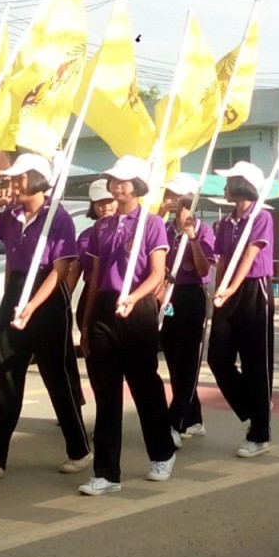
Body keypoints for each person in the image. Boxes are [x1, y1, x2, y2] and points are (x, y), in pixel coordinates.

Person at [0, 153, 90, 480]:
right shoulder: (10, 215)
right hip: (16, 291)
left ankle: (79, 448)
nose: (12, 184)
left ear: (35, 179)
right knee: (7, 376)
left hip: (47, 297)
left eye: (18, 178)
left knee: (56, 376)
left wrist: (32, 306)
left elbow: (60, 269)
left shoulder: (57, 217)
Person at [78, 156, 176, 493]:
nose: (116, 186)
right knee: (106, 393)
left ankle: (162, 452)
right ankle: (106, 473)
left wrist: (133, 298)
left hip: (137, 308)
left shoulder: (152, 223)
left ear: (136, 186)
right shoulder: (101, 227)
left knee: (144, 385)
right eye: (113, 180)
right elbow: (94, 279)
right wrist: (87, 323)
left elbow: (157, 273)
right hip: (105, 310)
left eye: (122, 181)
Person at [208, 162, 277, 459]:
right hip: (228, 290)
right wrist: (219, 290)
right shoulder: (226, 222)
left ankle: (259, 434)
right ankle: (254, 407)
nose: (224, 187)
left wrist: (231, 287)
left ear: (242, 185)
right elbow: (223, 259)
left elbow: (250, 256)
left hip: (253, 290)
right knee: (217, 358)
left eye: (229, 182)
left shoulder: (261, 217)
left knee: (255, 363)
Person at [160, 175, 215, 437]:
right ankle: (194, 418)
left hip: (193, 296)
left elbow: (204, 270)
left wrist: (192, 239)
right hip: (170, 299)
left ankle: (176, 420)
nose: (170, 199)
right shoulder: (165, 228)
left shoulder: (203, 230)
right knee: (172, 352)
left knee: (188, 357)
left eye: (175, 195)